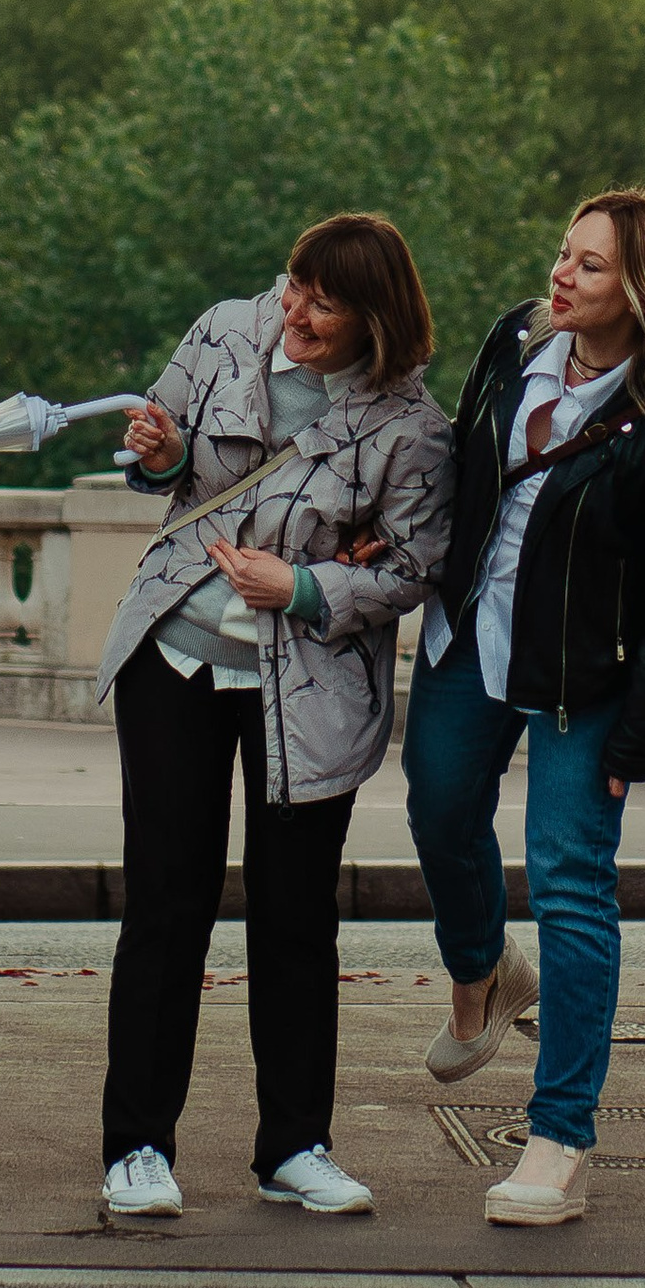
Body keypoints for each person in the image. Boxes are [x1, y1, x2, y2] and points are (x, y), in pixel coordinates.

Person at [93, 212, 451, 1225]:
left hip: (311, 695)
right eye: (295, 285)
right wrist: (157, 452)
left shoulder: (409, 429)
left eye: (323, 304)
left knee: (295, 920)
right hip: (174, 661)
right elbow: (156, 462)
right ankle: (136, 1149)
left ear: (374, 321)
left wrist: (300, 587)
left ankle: (294, 1146)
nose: (294, 311)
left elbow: (417, 564)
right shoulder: (221, 334)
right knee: (166, 905)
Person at [403, 189, 645, 1230]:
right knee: (439, 808)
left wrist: (642, 731)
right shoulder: (512, 346)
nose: (561, 274)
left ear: (642, 291)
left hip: (587, 683)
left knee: (572, 887)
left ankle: (559, 1140)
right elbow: (464, 470)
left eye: (588, 265)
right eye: (563, 254)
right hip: (469, 638)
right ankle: (485, 969)